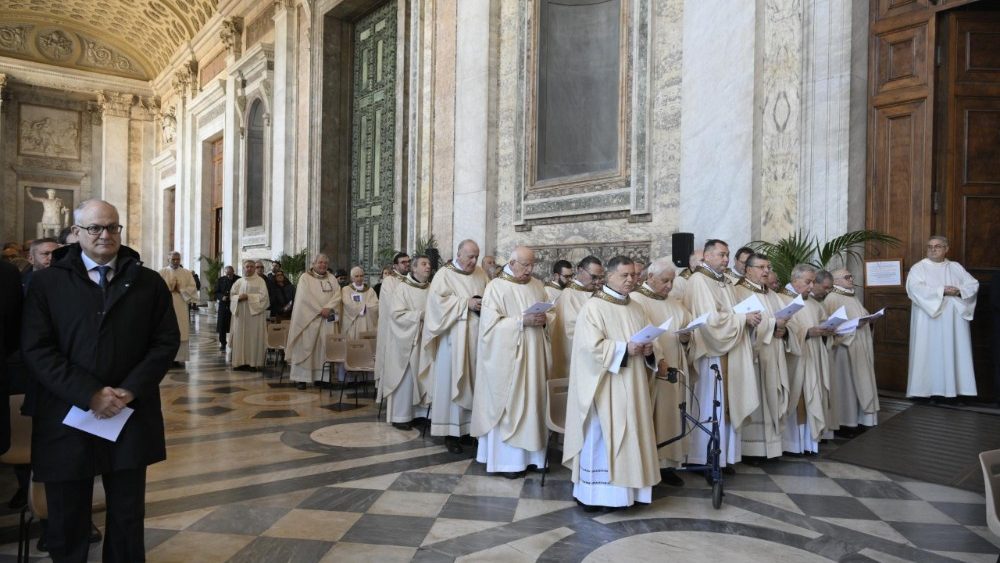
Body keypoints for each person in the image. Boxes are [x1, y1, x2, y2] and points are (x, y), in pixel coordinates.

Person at [21, 199, 179, 562]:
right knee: (67, 516)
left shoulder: (147, 281)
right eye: (95, 228)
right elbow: (36, 348)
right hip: (66, 412)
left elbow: (164, 341)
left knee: (126, 515)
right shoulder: (47, 283)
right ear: (75, 233)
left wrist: (129, 389)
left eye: (112, 227)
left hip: (128, 412)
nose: (105, 235)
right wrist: (89, 393)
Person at [563, 256, 663, 510]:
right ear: (609, 277)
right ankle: (596, 496)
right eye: (624, 275)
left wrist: (651, 349)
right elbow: (589, 349)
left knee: (633, 435)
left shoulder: (636, 307)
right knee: (603, 436)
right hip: (605, 386)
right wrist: (624, 349)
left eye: (633, 275)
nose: (631, 280)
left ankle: (632, 493)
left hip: (635, 383)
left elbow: (650, 338)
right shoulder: (593, 308)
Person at [471, 246, 553, 478]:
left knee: (533, 403)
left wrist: (545, 319)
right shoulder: (496, 287)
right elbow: (489, 327)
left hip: (534, 357)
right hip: (508, 361)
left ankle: (534, 458)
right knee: (509, 403)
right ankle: (508, 462)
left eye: (532, 265)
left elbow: (551, 315)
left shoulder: (537, 285)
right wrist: (521, 321)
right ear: (512, 262)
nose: (529, 269)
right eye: (525, 265)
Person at [683, 239, 759, 470]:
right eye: (722, 255)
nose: (726, 259)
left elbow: (734, 312)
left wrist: (749, 318)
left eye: (727, 255)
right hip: (711, 354)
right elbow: (710, 321)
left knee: (726, 403)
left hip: (730, 349)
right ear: (706, 256)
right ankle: (705, 457)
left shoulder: (725, 281)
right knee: (710, 404)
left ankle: (723, 456)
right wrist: (742, 319)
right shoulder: (699, 280)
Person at [424, 239, 489, 453]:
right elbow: (436, 304)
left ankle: (470, 429)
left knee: (475, 383)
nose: (474, 261)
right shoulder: (444, 274)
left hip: (477, 337)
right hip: (453, 340)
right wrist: (465, 303)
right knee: (452, 383)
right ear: (459, 254)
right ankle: (450, 433)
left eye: (476, 256)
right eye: (470, 256)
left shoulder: (480, 274)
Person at [630, 257, 690, 486]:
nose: (669, 286)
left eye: (672, 281)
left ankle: (668, 465)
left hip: (675, 364)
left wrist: (686, 337)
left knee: (671, 416)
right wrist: (659, 358)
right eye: (665, 281)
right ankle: (651, 464)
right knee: (654, 415)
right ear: (650, 278)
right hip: (652, 368)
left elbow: (687, 326)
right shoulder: (636, 300)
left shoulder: (674, 302)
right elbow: (642, 332)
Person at [906, 236, 979, 401]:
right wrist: (942, 291)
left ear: (946, 249)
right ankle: (925, 391)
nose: (933, 249)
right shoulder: (919, 268)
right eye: (930, 246)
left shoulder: (955, 267)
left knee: (954, 351)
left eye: (938, 246)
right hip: (928, 318)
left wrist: (959, 291)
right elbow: (915, 289)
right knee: (928, 352)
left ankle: (956, 392)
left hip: (954, 321)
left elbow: (973, 285)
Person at [732, 254, 791, 459]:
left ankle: (772, 448)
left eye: (768, 266)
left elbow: (781, 321)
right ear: (747, 270)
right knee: (756, 396)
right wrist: (774, 325)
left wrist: (785, 331)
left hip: (773, 354)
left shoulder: (772, 294)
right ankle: (752, 450)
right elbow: (742, 323)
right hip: (754, 357)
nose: (766, 271)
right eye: (761, 267)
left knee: (772, 397)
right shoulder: (738, 292)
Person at [780, 264, 834, 455]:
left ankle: (809, 443)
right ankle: (792, 444)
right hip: (796, 360)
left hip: (814, 357)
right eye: (808, 282)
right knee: (799, 398)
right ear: (795, 280)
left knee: (813, 396)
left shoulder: (812, 303)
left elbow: (823, 321)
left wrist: (828, 329)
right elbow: (782, 331)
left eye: (812, 282)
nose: (811, 286)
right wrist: (807, 333)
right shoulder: (782, 300)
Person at [823, 268, 879, 434]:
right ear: (836, 281)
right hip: (844, 350)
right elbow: (830, 325)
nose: (851, 279)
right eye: (847, 277)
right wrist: (854, 325)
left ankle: (861, 419)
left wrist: (869, 320)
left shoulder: (851, 295)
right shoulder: (833, 297)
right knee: (846, 386)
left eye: (851, 275)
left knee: (861, 383)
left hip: (860, 345)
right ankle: (845, 422)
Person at [381, 255, 433, 430]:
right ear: (414, 268)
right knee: (407, 378)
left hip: (426, 342)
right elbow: (396, 315)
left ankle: (420, 414)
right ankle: (401, 416)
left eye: (429, 264)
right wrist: (419, 316)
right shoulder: (402, 289)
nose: (428, 267)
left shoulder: (431, 289)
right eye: (424, 264)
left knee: (423, 376)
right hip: (407, 341)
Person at [287, 254, 341, 390]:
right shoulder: (305, 278)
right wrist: (320, 310)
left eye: (325, 263)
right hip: (309, 319)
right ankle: (302, 379)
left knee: (324, 349)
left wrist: (329, 308)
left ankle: (322, 378)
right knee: (305, 347)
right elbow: (304, 298)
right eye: (320, 262)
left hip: (326, 320)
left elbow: (338, 295)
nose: (323, 265)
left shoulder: (332, 278)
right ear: (313, 263)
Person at [550, 256, 604, 380]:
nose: (597, 281)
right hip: (580, 357)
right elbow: (570, 332)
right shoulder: (568, 295)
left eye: (600, 277)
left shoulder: (595, 293)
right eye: (594, 276)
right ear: (580, 270)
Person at [375, 252, 411, 399]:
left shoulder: (411, 280)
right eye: (403, 262)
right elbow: (392, 305)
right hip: (392, 327)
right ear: (395, 265)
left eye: (408, 262)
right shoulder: (389, 281)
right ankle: (388, 392)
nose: (407, 264)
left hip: (409, 326)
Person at [159, 251, 198, 367]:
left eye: (178, 259)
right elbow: (157, 289)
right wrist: (169, 289)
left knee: (181, 330)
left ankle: (178, 358)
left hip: (181, 304)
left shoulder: (186, 273)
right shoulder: (162, 272)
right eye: (173, 259)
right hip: (166, 306)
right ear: (168, 259)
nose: (176, 261)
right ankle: (167, 358)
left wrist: (181, 289)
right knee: (167, 330)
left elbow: (192, 287)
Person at [230, 260, 269, 370]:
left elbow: (264, 298)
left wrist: (249, 297)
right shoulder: (239, 282)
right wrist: (238, 298)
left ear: (255, 268)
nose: (249, 268)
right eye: (247, 266)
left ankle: (253, 363)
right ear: (243, 268)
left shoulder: (260, 281)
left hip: (254, 317)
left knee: (253, 339)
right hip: (240, 316)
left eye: (252, 266)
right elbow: (232, 295)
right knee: (239, 338)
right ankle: (239, 363)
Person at [341, 266, 379, 339]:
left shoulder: (370, 290)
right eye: (356, 276)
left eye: (361, 276)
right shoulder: (346, 290)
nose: (359, 278)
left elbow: (375, 305)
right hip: (352, 323)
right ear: (352, 278)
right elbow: (348, 304)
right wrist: (364, 307)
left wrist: (364, 307)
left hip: (367, 322)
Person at [215, 265, 240, 351]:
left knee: (235, 324)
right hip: (223, 306)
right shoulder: (221, 280)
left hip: (235, 305)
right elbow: (216, 292)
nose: (229, 275)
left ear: (233, 272)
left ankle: (235, 342)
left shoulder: (239, 280)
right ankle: (223, 343)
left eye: (230, 273)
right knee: (222, 325)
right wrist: (222, 297)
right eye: (227, 274)